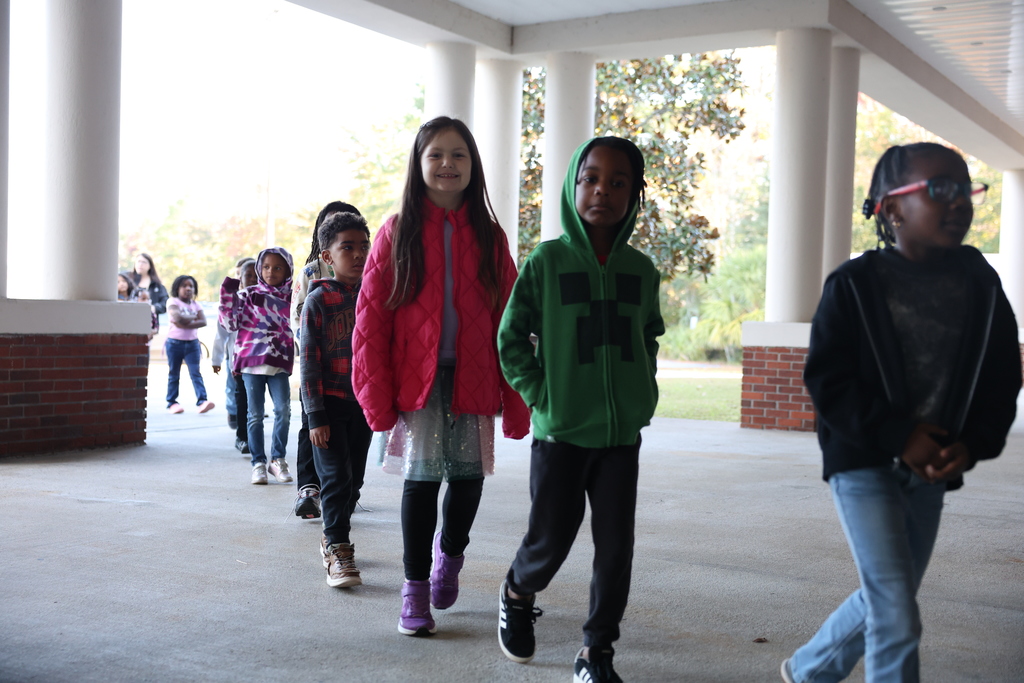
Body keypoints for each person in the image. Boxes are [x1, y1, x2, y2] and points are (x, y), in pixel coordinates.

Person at [780, 142, 1021, 683]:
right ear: (891, 209)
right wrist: (898, 435)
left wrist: (973, 444)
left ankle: (810, 669)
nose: (959, 201)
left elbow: (1002, 377)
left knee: (889, 593)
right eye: (941, 189)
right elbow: (829, 381)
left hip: (932, 469)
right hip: (863, 464)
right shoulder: (853, 286)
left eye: (966, 189)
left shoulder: (981, 284)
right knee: (896, 613)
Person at [352, 116, 530, 636]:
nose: (447, 164)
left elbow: (512, 322)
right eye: (436, 154)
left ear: (473, 165)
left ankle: (449, 557)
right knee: (422, 481)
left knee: (469, 481)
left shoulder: (490, 236)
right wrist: (375, 395)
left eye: (458, 154)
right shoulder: (396, 231)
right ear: (419, 162)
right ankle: (414, 591)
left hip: (473, 375)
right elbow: (370, 320)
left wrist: (518, 399)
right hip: (418, 380)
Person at [495, 137, 664, 683]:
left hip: (620, 439)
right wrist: (542, 394)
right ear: (573, 184)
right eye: (591, 178)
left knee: (616, 549)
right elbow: (511, 339)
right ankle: (518, 591)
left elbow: (649, 338)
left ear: (635, 193)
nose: (603, 191)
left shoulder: (642, 272)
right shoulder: (547, 262)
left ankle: (597, 652)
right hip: (562, 432)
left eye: (619, 182)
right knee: (550, 541)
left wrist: (643, 391)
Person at [300, 211, 373, 587]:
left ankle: (334, 530)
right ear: (328, 256)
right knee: (334, 479)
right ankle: (338, 548)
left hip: (364, 405)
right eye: (348, 247)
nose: (359, 254)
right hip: (328, 403)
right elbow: (308, 361)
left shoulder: (376, 297)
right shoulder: (319, 300)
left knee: (354, 481)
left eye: (364, 246)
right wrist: (314, 415)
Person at [291, 201, 363, 520]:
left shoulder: (365, 278)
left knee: (349, 455)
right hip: (319, 352)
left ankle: (342, 493)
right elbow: (299, 307)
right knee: (313, 423)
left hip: (353, 382)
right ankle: (309, 488)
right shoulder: (312, 273)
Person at [220, 247, 296, 486]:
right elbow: (230, 324)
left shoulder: (292, 297)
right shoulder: (248, 295)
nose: (270, 272)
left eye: (277, 267)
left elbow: (300, 325)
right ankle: (258, 463)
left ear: (288, 270)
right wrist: (228, 294)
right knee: (254, 416)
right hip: (251, 363)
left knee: (283, 411)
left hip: (279, 362)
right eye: (265, 267)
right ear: (258, 269)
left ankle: (278, 459)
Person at [213, 258, 256, 444]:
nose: (253, 279)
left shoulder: (268, 301)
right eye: (248, 275)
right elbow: (221, 334)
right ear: (240, 278)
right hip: (237, 360)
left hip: (260, 360)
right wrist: (216, 359)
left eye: (257, 275)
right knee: (240, 395)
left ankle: (253, 432)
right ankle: (242, 435)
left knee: (254, 399)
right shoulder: (232, 303)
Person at [165, 275, 215, 415]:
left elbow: (203, 322)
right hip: (174, 343)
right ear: (177, 288)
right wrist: (193, 317)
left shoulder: (196, 304)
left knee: (196, 373)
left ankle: (202, 401)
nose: (188, 289)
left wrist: (184, 321)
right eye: (184, 286)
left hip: (192, 344)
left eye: (191, 286)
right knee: (174, 373)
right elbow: (177, 318)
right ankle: (172, 402)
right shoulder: (172, 301)